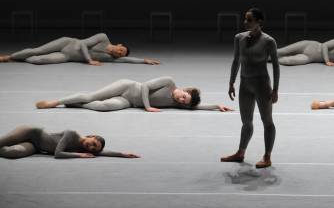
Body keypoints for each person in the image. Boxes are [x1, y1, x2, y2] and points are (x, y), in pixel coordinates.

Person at [221, 8, 279, 168]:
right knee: (246, 122)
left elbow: (275, 66)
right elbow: (235, 61)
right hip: (245, 84)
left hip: (262, 85)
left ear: (259, 22)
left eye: (249, 20)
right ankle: (241, 152)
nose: (245, 22)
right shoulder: (239, 38)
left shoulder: (269, 41)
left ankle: (267, 156)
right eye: (245, 19)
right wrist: (231, 82)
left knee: (267, 121)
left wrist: (275, 89)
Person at [35, 76, 232, 112]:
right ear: (186, 90)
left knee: (103, 107)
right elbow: (145, 86)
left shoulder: (178, 103)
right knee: (92, 97)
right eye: (183, 97)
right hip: (128, 87)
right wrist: (147, 107)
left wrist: (216, 106)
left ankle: (75, 104)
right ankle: (54, 102)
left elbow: (196, 107)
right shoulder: (170, 83)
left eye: (183, 102)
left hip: (129, 102)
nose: (181, 100)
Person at [0, 33, 160, 65]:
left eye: (119, 54)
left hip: (68, 57)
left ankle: (17, 58)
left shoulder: (111, 58)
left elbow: (127, 60)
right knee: (38, 51)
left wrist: (144, 61)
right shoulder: (103, 38)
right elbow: (83, 44)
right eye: (120, 50)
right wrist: (89, 60)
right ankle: (9, 57)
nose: (119, 54)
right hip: (68, 44)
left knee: (41, 60)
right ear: (119, 45)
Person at [0, 125, 139, 159]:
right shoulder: (72, 133)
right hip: (30, 132)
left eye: (93, 149)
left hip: (36, 147)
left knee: (11, 153)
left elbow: (102, 152)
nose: (90, 147)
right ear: (92, 136)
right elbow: (58, 153)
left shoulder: (84, 148)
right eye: (93, 144)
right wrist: (80, 156)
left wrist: (122, 154)